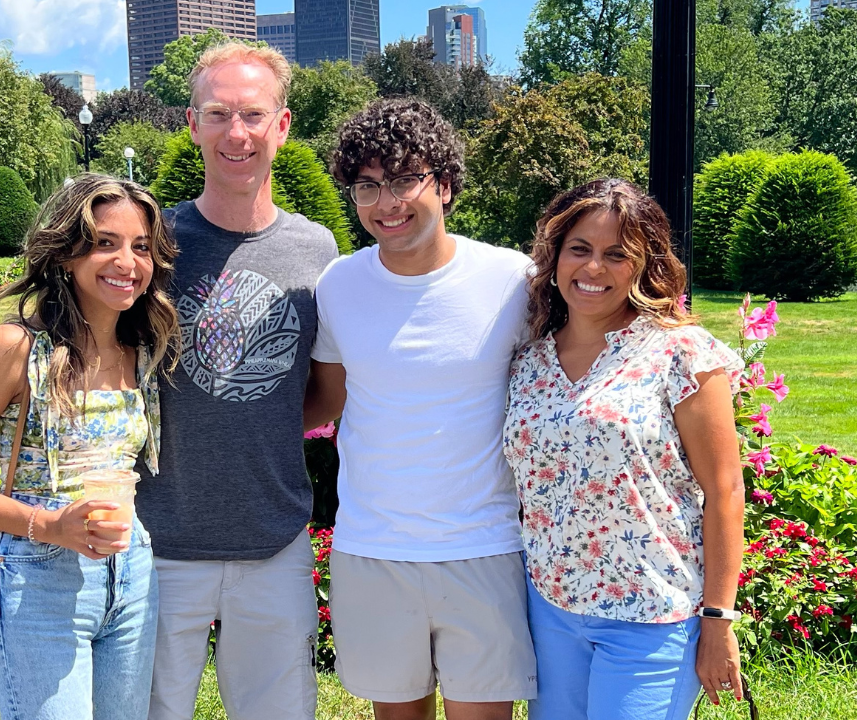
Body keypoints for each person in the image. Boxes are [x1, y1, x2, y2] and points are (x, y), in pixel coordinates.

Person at [303, 98, 538, 720]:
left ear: (447, 184)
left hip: (483, 548)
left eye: (407, 179)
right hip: (374, 548)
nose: (388, 202)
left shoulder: (513, 279)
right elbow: (327, 398)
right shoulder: (339, 284)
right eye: (368, 185)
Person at [0, 174, 180, 720]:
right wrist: (51, 526)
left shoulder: (144, 350)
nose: (127, 262)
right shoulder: (16, 347)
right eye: (105, 243)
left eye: (141, 247)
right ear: (65, 255)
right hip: (39, 575)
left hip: (131, 572)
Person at [133, 41, 338, 720]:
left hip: (273, 542)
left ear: (281, 126)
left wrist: (260, 416)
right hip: (158, 540)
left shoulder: (317, 250)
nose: (236, 133)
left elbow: (323, 392)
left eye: (253, 114)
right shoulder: (151, 242)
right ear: (192, 124)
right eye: (218, 114)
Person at [503, 179, 746, 720]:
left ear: (644, 265)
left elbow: (726, 489)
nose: (594, 269)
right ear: (555, 256)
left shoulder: (679, 351)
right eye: (580, 249)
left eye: (617, 255)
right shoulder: (527, 360)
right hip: (551, 610)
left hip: (652, 616)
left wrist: (718, 620)